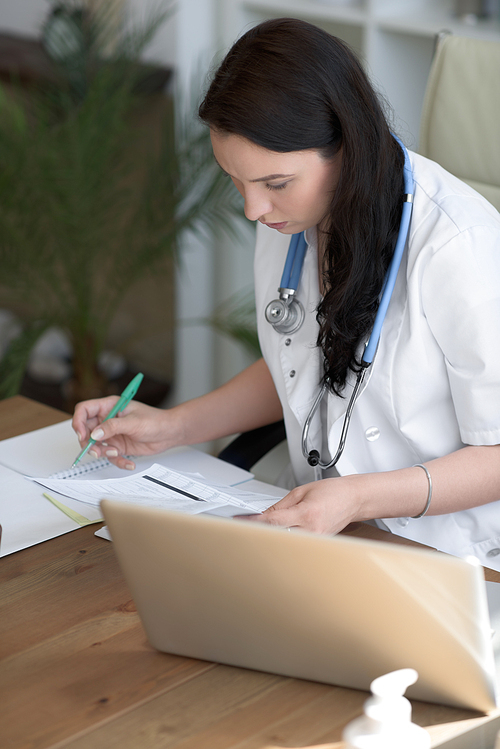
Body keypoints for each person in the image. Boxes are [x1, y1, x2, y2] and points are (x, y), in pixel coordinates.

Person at [72, 18, 500, 568]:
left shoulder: (458, 248)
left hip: (453, 555)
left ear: (348, 145)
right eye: (235, 179)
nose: (253, 209)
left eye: (274, 184)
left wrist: (359, 497)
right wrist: (169, 427)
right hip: (321, 535)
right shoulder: (292, 220)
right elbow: (302, 362)